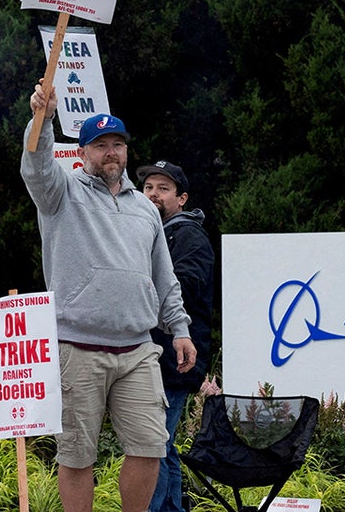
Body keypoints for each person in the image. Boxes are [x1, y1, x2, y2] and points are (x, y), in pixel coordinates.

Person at [20, 87, 196, 512]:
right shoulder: (60, 194)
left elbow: (162, 274)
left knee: (151, 446)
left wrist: (180, 329)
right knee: (78, 454)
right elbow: (36, 167)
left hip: (138, 348)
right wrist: (42, 119)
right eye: (100, 145)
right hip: (77, 347)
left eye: (117, 144)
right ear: (82, 153)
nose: (111, 152)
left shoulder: (145, 208)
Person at [137, 160, 216, 512]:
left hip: (174, 359)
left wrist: (135, 289)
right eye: (148, 187)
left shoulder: (187, 235)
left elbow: (184, 287)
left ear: (181, 198)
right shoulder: (149, 232)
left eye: (163, 189)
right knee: (162, 445)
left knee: (153, 445)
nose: (153, 194)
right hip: (157, 356)